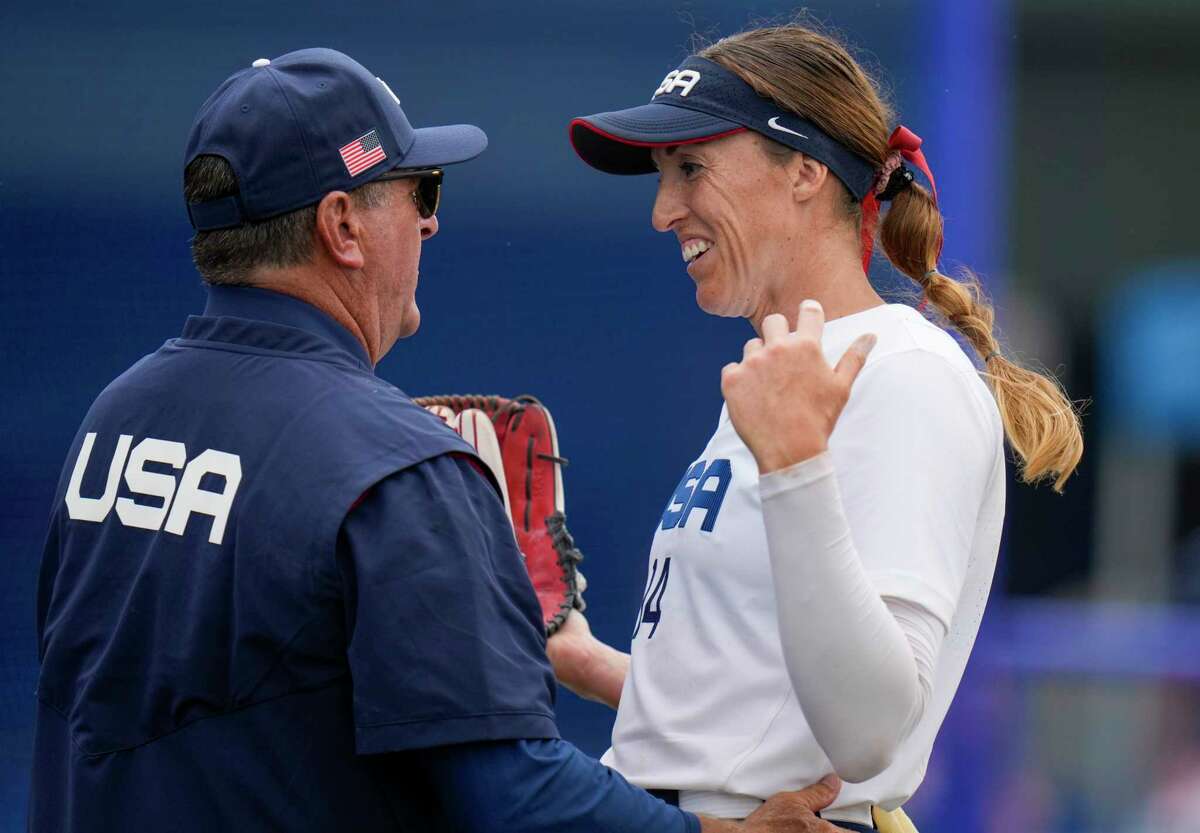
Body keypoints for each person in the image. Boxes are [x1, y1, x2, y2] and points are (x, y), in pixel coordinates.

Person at [29, 47, 846, 833]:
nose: (430, 225)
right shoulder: (392, 467)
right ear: (342, 226)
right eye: (420, 191)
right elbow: (512, 796)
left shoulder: (116, 421)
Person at [554, 22, 1084, 832]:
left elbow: (870, 727)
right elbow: (769, 703)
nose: (664, 210)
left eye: (691, 167)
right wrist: (594, 666)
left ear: (804, 171)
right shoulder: (799, 366)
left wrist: (795, 465)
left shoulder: (902, 371)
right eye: (663, 175)